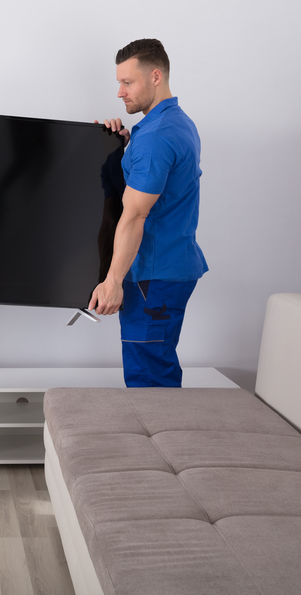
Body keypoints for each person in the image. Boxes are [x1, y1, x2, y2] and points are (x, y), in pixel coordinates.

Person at [89, 38, 208, 388]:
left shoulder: (156, 137)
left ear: (155, 76)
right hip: (166, 269)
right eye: (119, 83)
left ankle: (167, 442)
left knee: (150, 382)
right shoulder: (173, 124)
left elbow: (136, 216)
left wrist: (112, 282)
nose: (120, 92)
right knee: (154, 370)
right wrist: (123, 145)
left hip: (152, 278)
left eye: (128, 82)